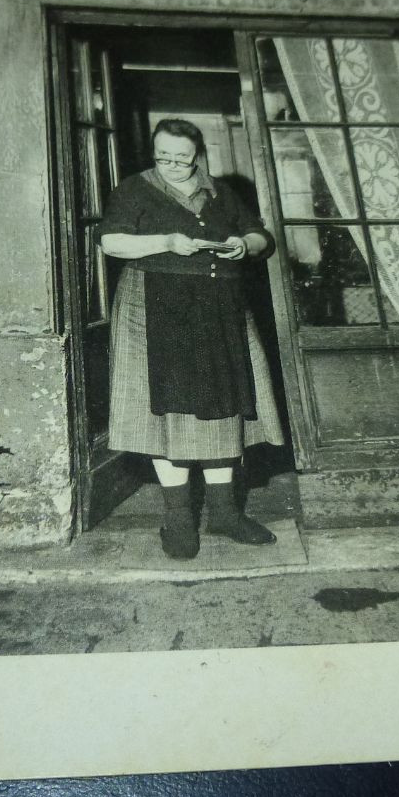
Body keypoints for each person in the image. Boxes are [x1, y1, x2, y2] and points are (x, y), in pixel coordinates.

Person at [98, 118, 285, 559]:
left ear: (197, 153)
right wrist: (164, 241)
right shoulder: (134, 189)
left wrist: (245, 244)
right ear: (154, 153)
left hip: (218, 307)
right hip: (153, 306)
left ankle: (224, 513)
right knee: (166, 411)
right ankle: (179, 519)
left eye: (182, 157)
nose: (173, 165)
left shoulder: (220, 190)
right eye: (164, 157)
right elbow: (110, 243)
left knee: (223, 406)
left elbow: (262, 235)